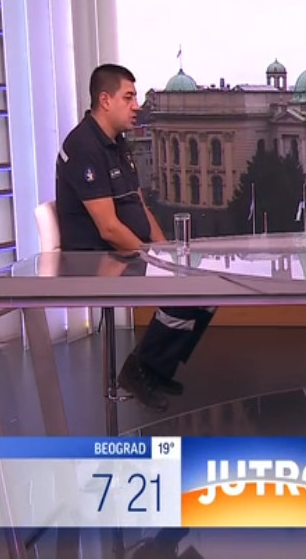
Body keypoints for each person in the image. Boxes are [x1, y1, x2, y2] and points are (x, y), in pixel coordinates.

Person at [56, 64, 216, 412]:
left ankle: (155, 369)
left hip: (128, 253)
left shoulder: (118, 144)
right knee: (187, 290)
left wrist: (167, 252)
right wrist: (157, 261)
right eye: (128, 98)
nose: (136, 106)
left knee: (208, 287)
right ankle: (140, 369)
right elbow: (108, 228)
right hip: (96, 259)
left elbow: (140, 206)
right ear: (105, 100)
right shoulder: (83, 146)